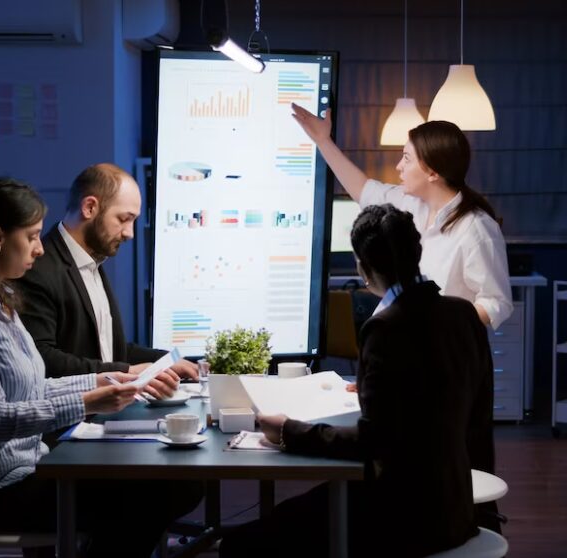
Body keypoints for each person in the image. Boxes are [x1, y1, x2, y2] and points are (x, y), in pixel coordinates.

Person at [0, 178, 201, 557]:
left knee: (170, 487)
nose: (40, 248)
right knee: (156, 493)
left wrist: (103, 379)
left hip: (22, 469)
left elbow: (34, 389)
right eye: (33, 236)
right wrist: (88, 401)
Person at [219, 204, 497, 558]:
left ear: (363, 269)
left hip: (401, 516)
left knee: (241, 544)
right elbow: (473, 416)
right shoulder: (463, 314)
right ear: (417, 254)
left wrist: (290, 431)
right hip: (455, 508)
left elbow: (373, 442)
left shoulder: (384, 328)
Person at [292, 105, 514, 329]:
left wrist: (440, 321)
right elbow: (363, 189)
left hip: (445, 352)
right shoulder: (409, 204)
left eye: (406, 159)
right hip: (402, 341)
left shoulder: (476, 228)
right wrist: (323, 141)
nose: (399, 167)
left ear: (432, 172)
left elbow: (497, 303)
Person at [15, 163, 197, 395]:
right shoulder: (38, 268)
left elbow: (108, 350)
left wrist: (168, 360)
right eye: (123, 219)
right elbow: (42, 359)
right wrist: (128, 371)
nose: (130, 233)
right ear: (90, 207)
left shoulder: (92, 261)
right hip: (67, 424)